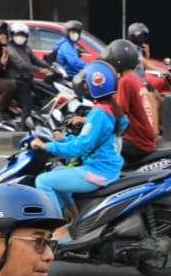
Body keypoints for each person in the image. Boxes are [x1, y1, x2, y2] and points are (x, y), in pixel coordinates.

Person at [30, 61, 123, 229]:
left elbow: (79, 148)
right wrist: (63, 139)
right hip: (104, 168)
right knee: (57, 171)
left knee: (43, 181)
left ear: (96, 86)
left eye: (86, 84)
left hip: (97, 172)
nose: (83, 86)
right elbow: (87, 142)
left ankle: (56, 231)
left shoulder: (98, 114)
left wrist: (47, 147)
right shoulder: (108, 109)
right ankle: (75, 218)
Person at [103, 40, 156, 167]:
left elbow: (118, 113)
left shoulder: (125, 81)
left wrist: (87, 120)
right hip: (145, 140)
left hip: (136, 143)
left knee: (101, 155)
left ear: (118, 59)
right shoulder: (134, 79)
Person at [5, 22, 51, 122]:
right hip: (17, 82)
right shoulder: (10, 48)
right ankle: (23, 127)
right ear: (12, 35)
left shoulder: (26, 47)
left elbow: (36, 60)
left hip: (28, 80)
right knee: (28, 102)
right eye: (17, 34)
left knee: (43, 93)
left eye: (22, 35)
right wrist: (40, 70)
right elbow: (21, 64)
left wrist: (49, 66)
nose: (20, 37)